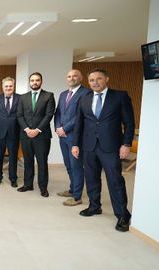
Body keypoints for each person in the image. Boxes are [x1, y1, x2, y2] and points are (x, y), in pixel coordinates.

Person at [72, 68, 134, 232]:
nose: (95, 82)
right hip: (89, 146)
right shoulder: (84, 99)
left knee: (115, 181)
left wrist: (126, 144)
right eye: (92, 80)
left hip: (111, 147)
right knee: (91, 178)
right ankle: (94, 206)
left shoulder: (120, 96)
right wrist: (75, 144)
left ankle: (122, 215)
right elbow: (79, 123)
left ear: (107, 79)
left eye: (99, 79)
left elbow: (129, 123)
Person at [16, 72, 55, 197]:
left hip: (42, 136)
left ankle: (43, 187)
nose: (34, 82)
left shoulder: (48, 96)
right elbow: (19, 115)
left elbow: (49, 115)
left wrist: (37, 130)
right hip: (26, 135)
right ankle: (28, 184)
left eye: (37, 80)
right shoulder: (23, 97)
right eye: (32, 80)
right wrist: (27, 129)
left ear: (41, 81)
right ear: (29, 82)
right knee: (28, 161)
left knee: (42, 162)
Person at [54, 69, 89, 206]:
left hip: (76, 137)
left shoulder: (86, 93)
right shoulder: (63, 94)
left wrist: (65, 128)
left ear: (81, 78)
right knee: (68, 165)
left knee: (76, 166)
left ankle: (77, 197)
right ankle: (72, 189)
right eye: (69, 76)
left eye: (75, 76)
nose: (72, 78)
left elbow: (81, 115)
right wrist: (58, 128)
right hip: (62, 137)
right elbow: (58, 113)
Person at [0, 77, 20, 187]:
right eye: (6, 86)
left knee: (13, 156)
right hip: (0, 133)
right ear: (2, 87)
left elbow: (21, 115)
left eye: (10, 86)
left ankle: (13, 178)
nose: (8, 88)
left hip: (14, 132)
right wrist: (1, 124)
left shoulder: (20, 98)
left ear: (13, 86)